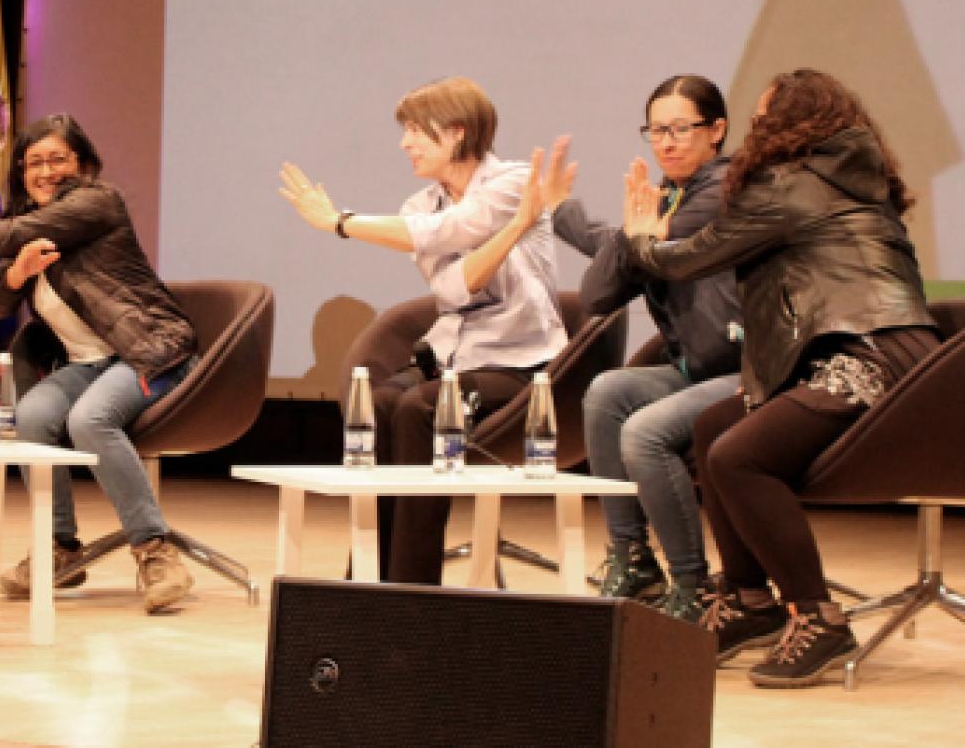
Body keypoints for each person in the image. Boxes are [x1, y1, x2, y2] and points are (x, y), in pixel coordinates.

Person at [622, 68, 939, 687]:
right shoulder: (844, 175)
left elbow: (689, 259)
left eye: (765, 118)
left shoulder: (792, 181)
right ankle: (748, 600)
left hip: (871, 354)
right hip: (886, 354)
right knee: (715, 427)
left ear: (794, 123)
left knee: (739, 454)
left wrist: (642, 238)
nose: (755, 131)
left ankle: (818, 615)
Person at [279, 76, 566, 585]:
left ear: (456, 132)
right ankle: (367, 577)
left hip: (521, 366)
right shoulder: (418, 206)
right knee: (385, 401)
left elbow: (452, 233)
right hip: (453, 359)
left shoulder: (515, 182)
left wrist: (341, 222)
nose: (404, 144)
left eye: (414, 131)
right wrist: (510, 233)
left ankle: (412, 586)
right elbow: (454, 289)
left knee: (422, 408)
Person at [0, 113, 199, 614]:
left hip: (150, 350)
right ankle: (60, 550)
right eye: (35, 163)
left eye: (58, 159)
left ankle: (155, 552)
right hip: (87, 364)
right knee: (30, 418)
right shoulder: (32, 224)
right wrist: (17, 277)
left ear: (84, 164)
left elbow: (3, 235)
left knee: (89, 419)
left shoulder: (97, 203)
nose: (46, 171)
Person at [546, 75, 741, 621]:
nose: (667, 143)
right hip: (695, 369)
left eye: (681, 128)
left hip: (748, 370)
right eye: (656, 131)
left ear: (717, 130)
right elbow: (604, 290)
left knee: (645, 431)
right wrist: (614, 230)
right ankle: (632, 556)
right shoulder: (671, 197)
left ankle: (692, 583)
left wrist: (576, 218)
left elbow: (623, 258)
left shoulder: (726, 193)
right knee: (609, 392)